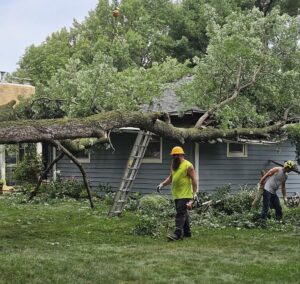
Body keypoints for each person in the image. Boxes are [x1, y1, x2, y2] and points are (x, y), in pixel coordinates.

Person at [156, 146, 198, 241]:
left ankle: (177, 234)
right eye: (173, 155)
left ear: (181, 155)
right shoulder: (174, 166)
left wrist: (194, 193)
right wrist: (162, 184)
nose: (174, 157)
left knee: (180, 213)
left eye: (176, 155)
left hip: (185, 194)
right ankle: (187, 233)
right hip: (176, 195)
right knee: (183, 213)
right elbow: (171, 178)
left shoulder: (188, 166)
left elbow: (194, 180)